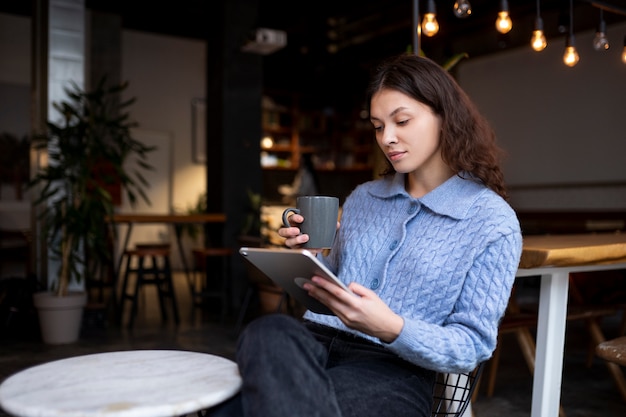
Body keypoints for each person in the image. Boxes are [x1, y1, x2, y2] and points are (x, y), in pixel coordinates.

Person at [210, 53, 522, 417]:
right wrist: (307, 256)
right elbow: (330, 286)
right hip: (312, 346)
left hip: (392, 368)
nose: (387, 138)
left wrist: (391, 327)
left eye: (401, 120)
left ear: (445, 117)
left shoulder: (491, 221)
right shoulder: (363, 198)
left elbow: (472, 345)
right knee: (268, 331)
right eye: (377, 126)